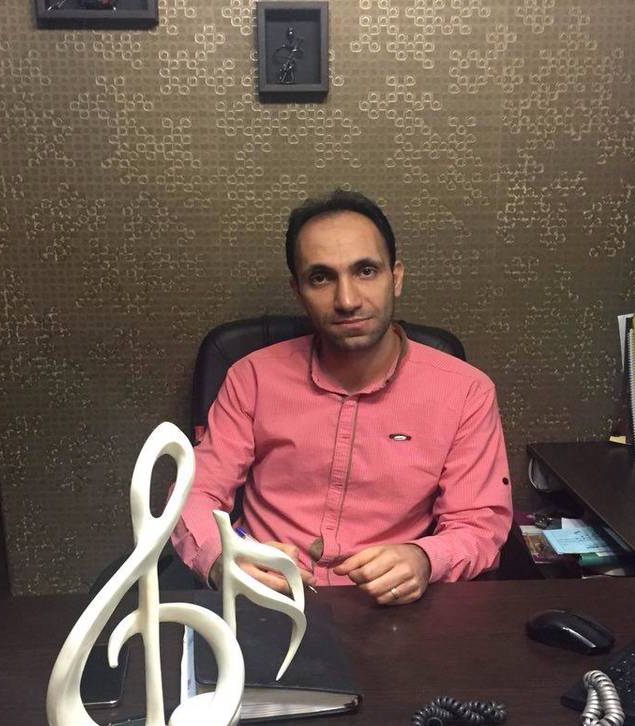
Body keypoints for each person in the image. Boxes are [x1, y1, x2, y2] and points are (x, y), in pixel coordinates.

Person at [171, 189, 512, 605]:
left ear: (396, 277)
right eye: (321, 278)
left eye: (365, 271)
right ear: (298, 290)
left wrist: (426, 559)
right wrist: (221, 558)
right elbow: (195, 492)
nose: (347, 300)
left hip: (390, 606)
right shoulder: (252, 377)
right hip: (267, 594)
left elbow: (479, 524)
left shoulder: (466, 392)